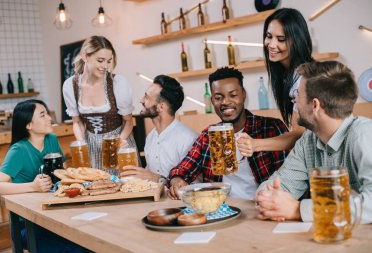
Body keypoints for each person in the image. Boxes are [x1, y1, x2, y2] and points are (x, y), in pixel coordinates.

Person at [255, 61, 372, 224]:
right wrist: (267, 199)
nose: (294, 102)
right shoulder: (308, 140)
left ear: (315, 105)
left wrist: (297, 210)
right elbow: (280, 184)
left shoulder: (364, 135)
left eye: (297, 95)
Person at [168, 67, 289, 200]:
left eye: (233, 95)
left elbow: (288, 176)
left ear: (243, 95)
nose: (225, 102)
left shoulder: (271, 128)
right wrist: (177, 179)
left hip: (262, 207)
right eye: (218, 97)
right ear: (212, 101)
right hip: (222, 208)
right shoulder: (208, 136)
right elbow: (184, 168)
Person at [0, 99, 88, 252]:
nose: (50, 118)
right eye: (42, 115)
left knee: (89, 244)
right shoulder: (19, 150)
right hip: (28, 225)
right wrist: (32, 186)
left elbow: (63, 172)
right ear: (28, 125)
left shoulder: (51, 139)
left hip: (54, 217)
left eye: (47, 113)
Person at [238, 8, 314, 157]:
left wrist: (255, 144)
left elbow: (298, 134)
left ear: (297, 41)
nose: (271, 45)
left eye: (281, 39)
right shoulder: (287, 75)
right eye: (268, 36)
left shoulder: (304, 78)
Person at [63, 35, 137, 170]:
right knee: (96, 187)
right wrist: (81, 143)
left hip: (119, 143)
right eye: (100, 60)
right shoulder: (70, 85)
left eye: (109, 61)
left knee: (125, 186)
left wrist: (119, 141)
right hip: (91, 146)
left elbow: (128, 121)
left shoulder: (117, 83)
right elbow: (77, 121)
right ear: (85, 57)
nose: (105, 66)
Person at [120, 75, 198, 183]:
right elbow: (149, 174)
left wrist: (158, 179)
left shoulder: (189, 139)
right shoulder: (151, 137)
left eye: (146, 97)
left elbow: (194, 186)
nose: (141, 100)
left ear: (161, 107)